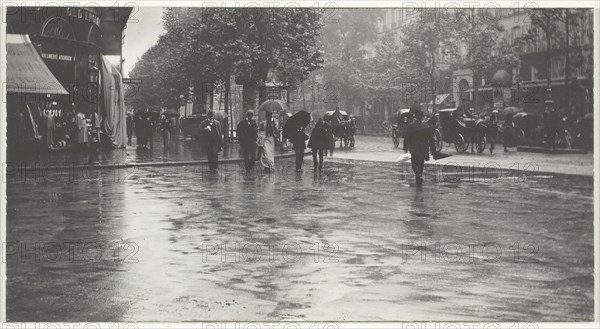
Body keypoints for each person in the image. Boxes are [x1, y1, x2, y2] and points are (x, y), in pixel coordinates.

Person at [404, 109, 438, 186]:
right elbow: (431, 139)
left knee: (414, 163)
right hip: (424, 148)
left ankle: (418, 175)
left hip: (414, 148)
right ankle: (419, 177)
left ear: (415, 117)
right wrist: (433, 151)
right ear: (422, 118)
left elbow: (406, 137)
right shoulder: (426, 126)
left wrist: (405, 148)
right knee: (421, 163)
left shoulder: (411, 126)